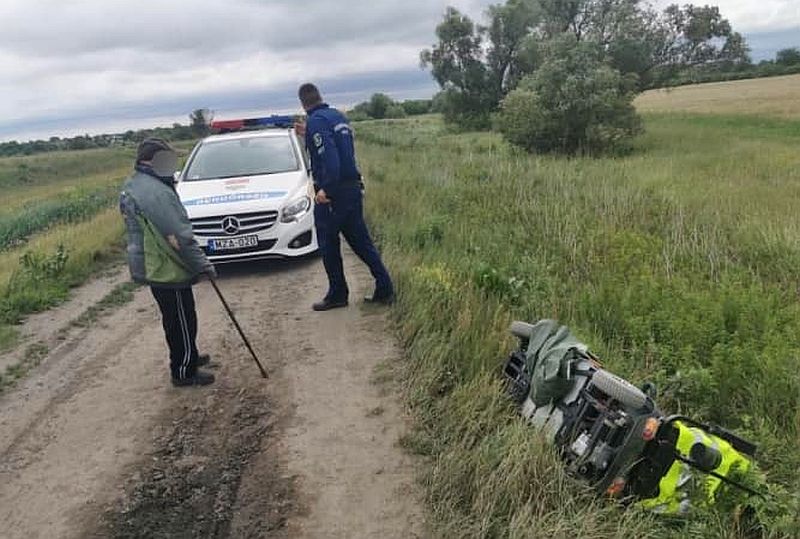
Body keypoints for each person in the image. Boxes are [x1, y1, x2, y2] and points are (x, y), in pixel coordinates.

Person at [119, 138, 217, 387]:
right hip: (166, 267)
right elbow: (179, 236)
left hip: (159, 264)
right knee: (180, 320)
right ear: (149, 161)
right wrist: (202, 265)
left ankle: (189, 356)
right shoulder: (155, 192)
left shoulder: (142, 183)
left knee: (181, 318)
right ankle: (184, 370)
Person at [296, 83, 394, 311]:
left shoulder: (317, 122)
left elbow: (331, 160)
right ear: (319, 97)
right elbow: (340, 148)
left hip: (333, 194)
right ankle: (385, 286)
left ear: (303, 103)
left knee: (328, 244)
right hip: (351, 188)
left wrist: (325, 190)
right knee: (361, 242)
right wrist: (308, 134)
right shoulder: (337, 117)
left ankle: (338, 293)